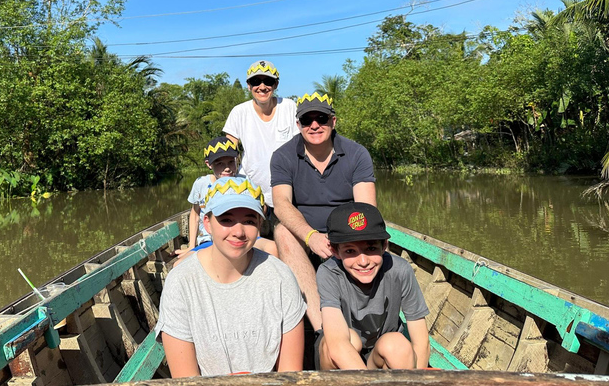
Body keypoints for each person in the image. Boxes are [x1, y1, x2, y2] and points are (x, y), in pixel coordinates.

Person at [155, 177, 306, 377]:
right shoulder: (181, 283)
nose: (239, 232)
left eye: (249, 221)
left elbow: (289, 375)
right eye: (226, 219)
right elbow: (186, 380)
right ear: (207, 223)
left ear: (260, 224)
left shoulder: (280, 277)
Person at [271, 92, 377, 330]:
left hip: (347, 228)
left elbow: (366, 209)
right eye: (307, 120)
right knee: (282, 232)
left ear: (333, 121)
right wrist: (311, 236)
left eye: (322, 118)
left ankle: (366, 315)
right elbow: (281, 204)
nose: (315, 125)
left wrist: (344, 238)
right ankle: (322, 329)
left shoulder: (357, 154)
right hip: (305, 233)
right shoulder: (283, 157)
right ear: (298, 125)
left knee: (371, 236)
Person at [316, 202, 430, 370]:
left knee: (397, 344)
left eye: (370, 248)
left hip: (379, 357)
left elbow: (421, 343)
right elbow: (338, 346)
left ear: (384, 245)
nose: (363, 262)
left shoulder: (400, 270)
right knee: (343, 342)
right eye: (350, 251)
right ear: (334, 251)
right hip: (342, 356)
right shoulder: (328, 273)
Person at [176, 136, 277, 263]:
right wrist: (191, 245)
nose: (227, 168)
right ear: (208, 164)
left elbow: (258, 210)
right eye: (219, 164)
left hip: (242, 237)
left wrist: (256, 237)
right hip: (209, 240)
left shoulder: (244, 183)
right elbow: (195, 215)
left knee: (273, 248)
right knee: (179, 264)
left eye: (231, 162)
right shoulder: (201, 184)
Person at [223, 60, 299, 210]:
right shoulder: (239, 112)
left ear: (276, 85)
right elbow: (228, 152)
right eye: (256, 81)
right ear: (249, 85)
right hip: (250, 190)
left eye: (268, 81)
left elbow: (302, 146)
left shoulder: (289, 107)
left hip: (288, 190)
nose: (262, 87)